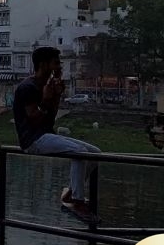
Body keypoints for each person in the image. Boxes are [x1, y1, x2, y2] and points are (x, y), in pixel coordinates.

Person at [12, 46, 101, 217]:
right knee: (80, 152)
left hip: (46, 135)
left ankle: (71, 192)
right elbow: (33, 118)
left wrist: (57, 95)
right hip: (32, 140)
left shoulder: (47, 85)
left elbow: (49, 119)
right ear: (44, 65)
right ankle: (77, 199)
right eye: (56, 63)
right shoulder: (27, 87)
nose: (59, 67)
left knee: (95, 153)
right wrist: (45, 100)